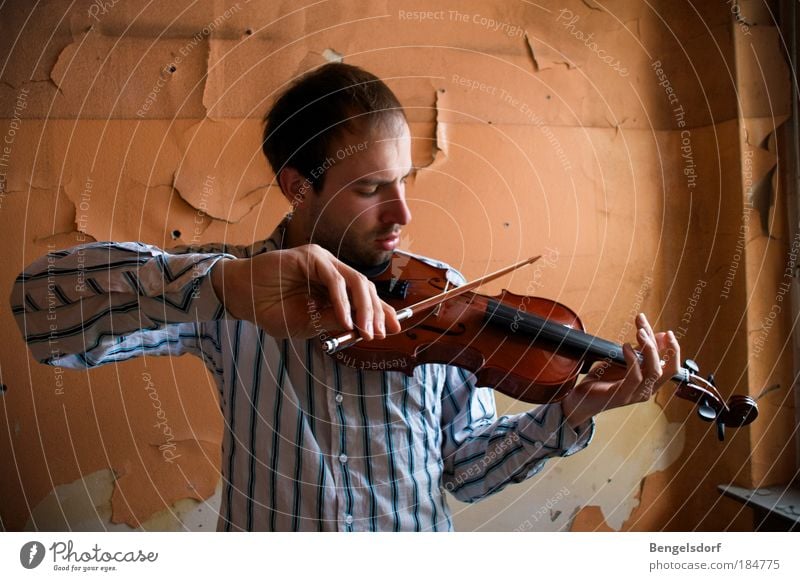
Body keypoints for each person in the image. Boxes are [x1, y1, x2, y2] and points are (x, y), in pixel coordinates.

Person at [11, 63, 680, 532]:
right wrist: (215, 285)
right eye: (369, 190)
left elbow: (465, 472)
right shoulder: (232, 287)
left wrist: (567, 412)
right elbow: (38, 312)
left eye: (404, 182)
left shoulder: (443, 293)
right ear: (297, 186)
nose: (402, 215)